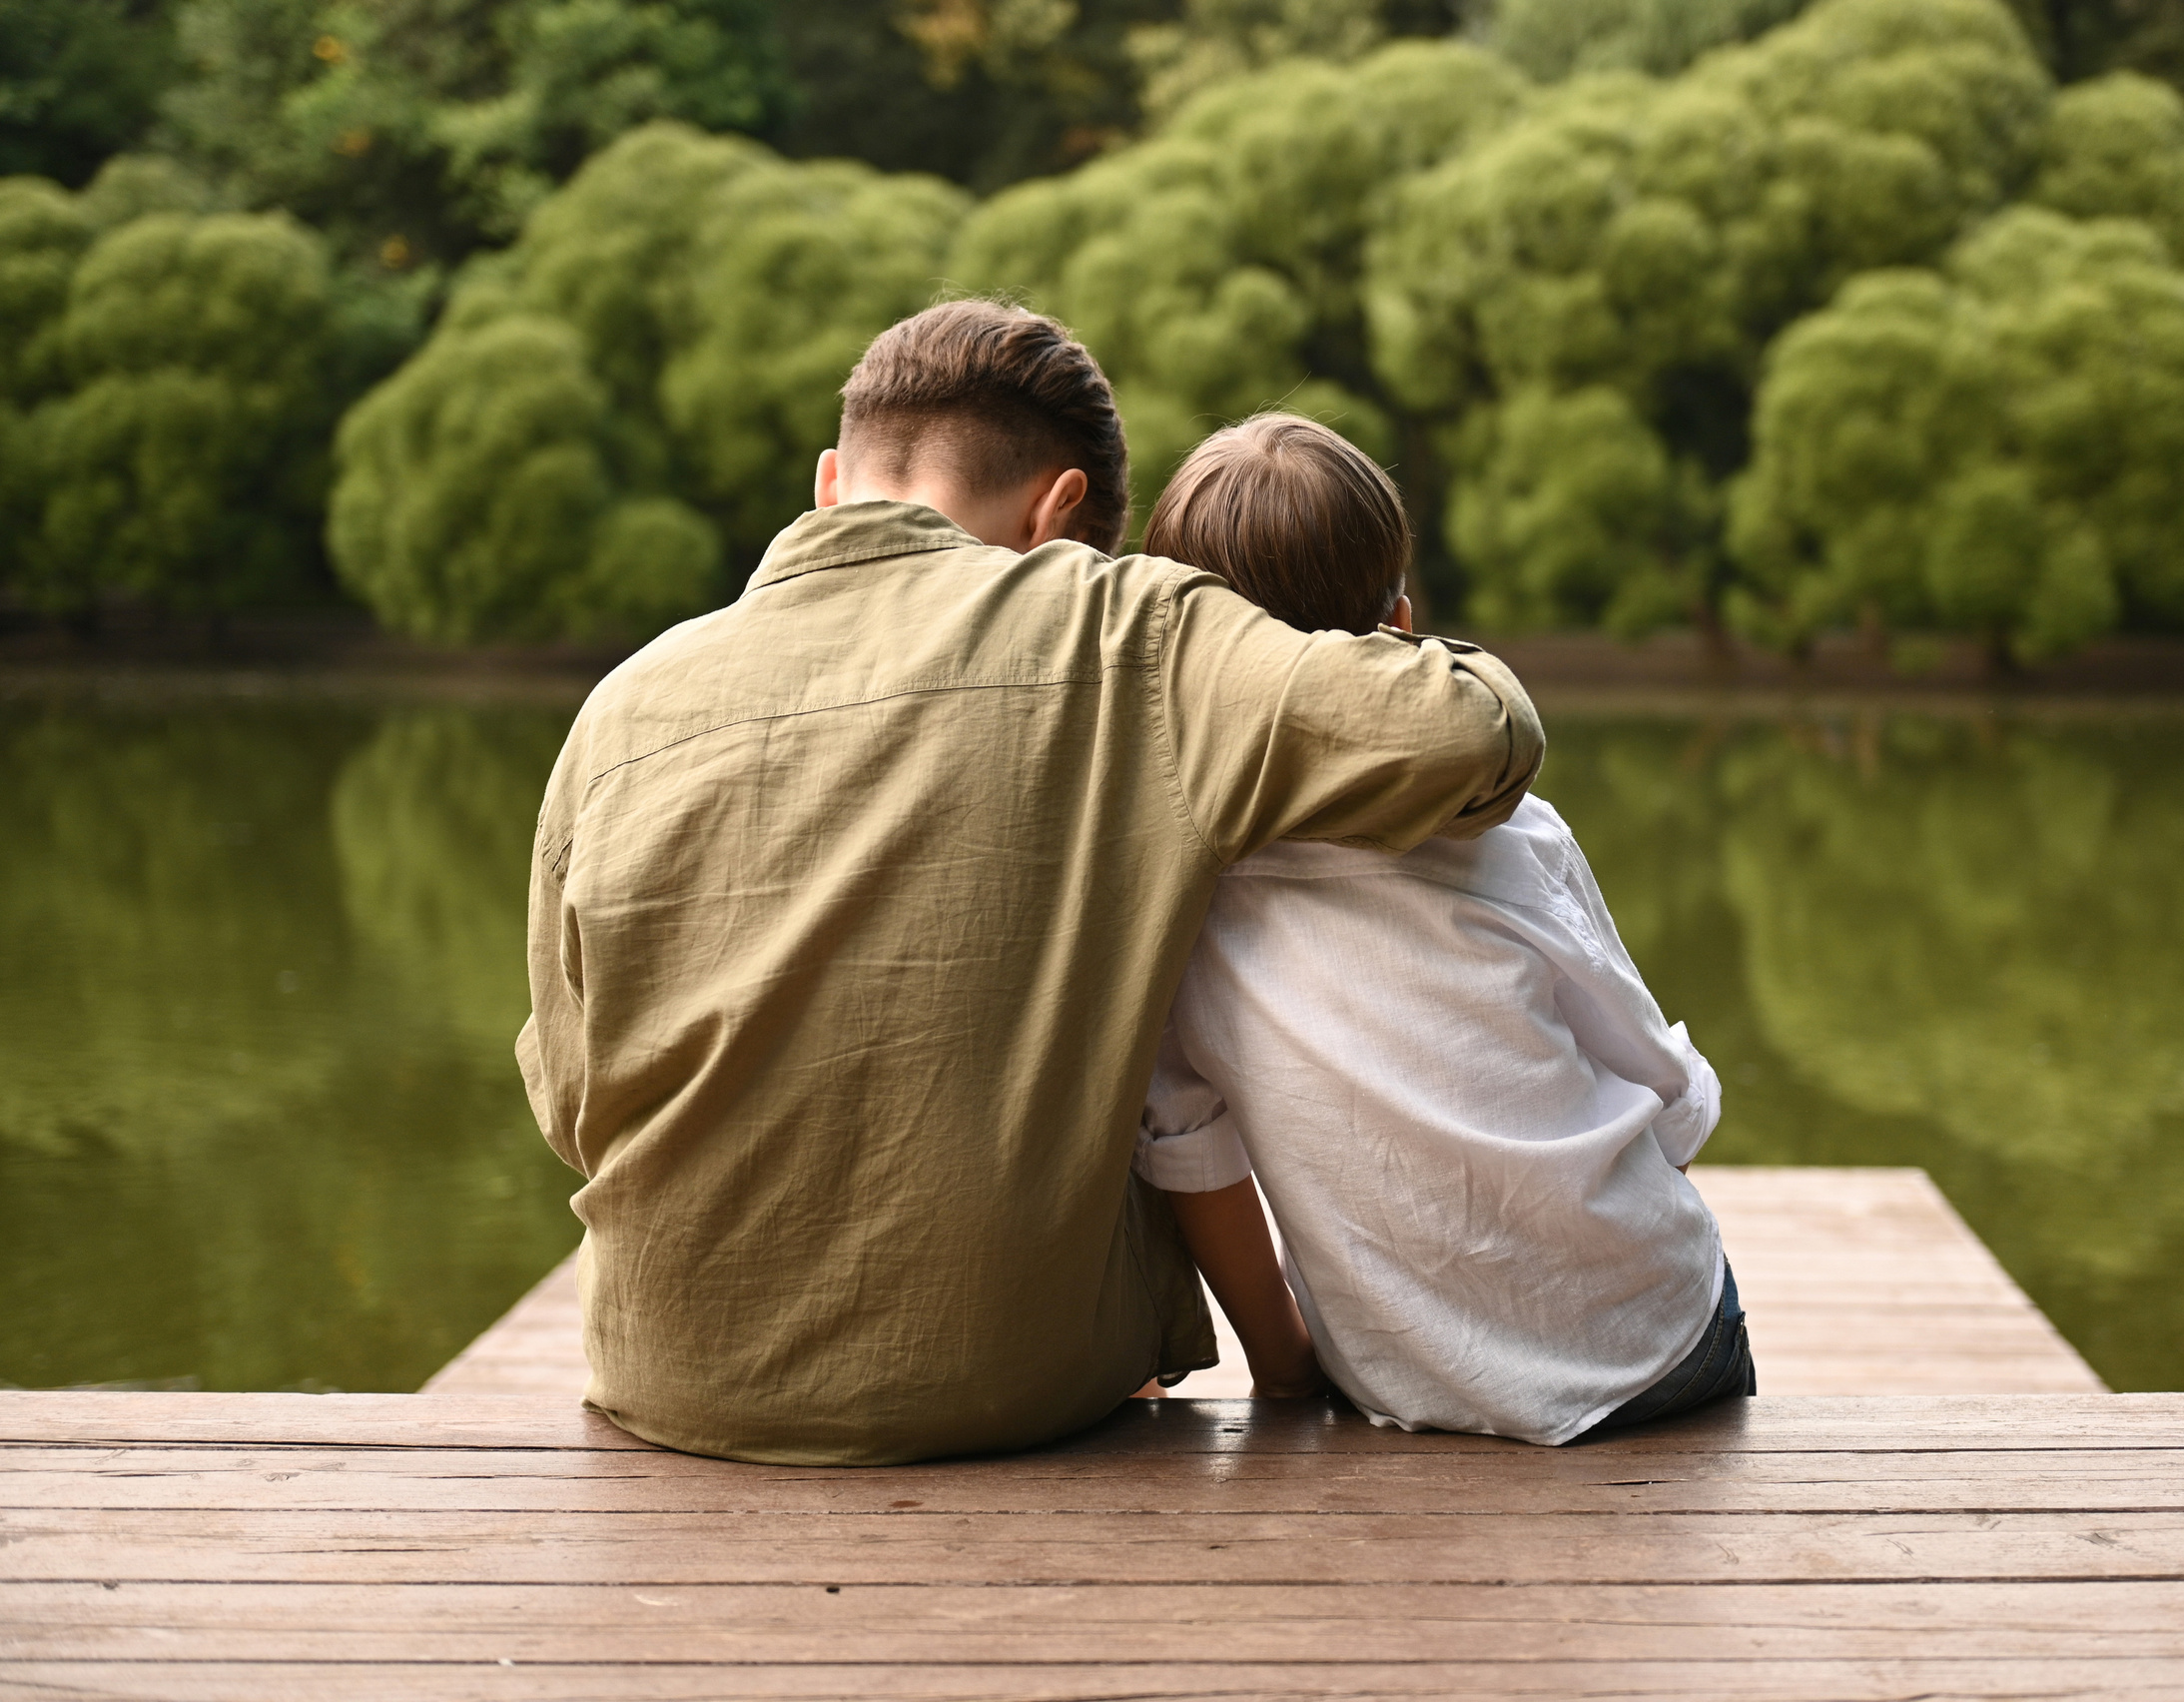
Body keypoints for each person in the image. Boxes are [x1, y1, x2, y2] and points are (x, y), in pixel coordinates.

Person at [514, 304, 1544, 1467]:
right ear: (1060, 515)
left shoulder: (624, 703)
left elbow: (566, 1102)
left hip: (669, 1377)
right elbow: (1465, 740)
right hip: (1006, 1387)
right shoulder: (1116, 629)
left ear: (830, 479)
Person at [1134, 415, 1750, 1444]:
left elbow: (1190, 1154)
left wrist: (1288, 1371)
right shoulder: (1509, 835)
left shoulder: (1184, 892)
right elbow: (1663, 1092)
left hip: (1401, 1381)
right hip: (1651, 1355)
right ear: (1404, 625)